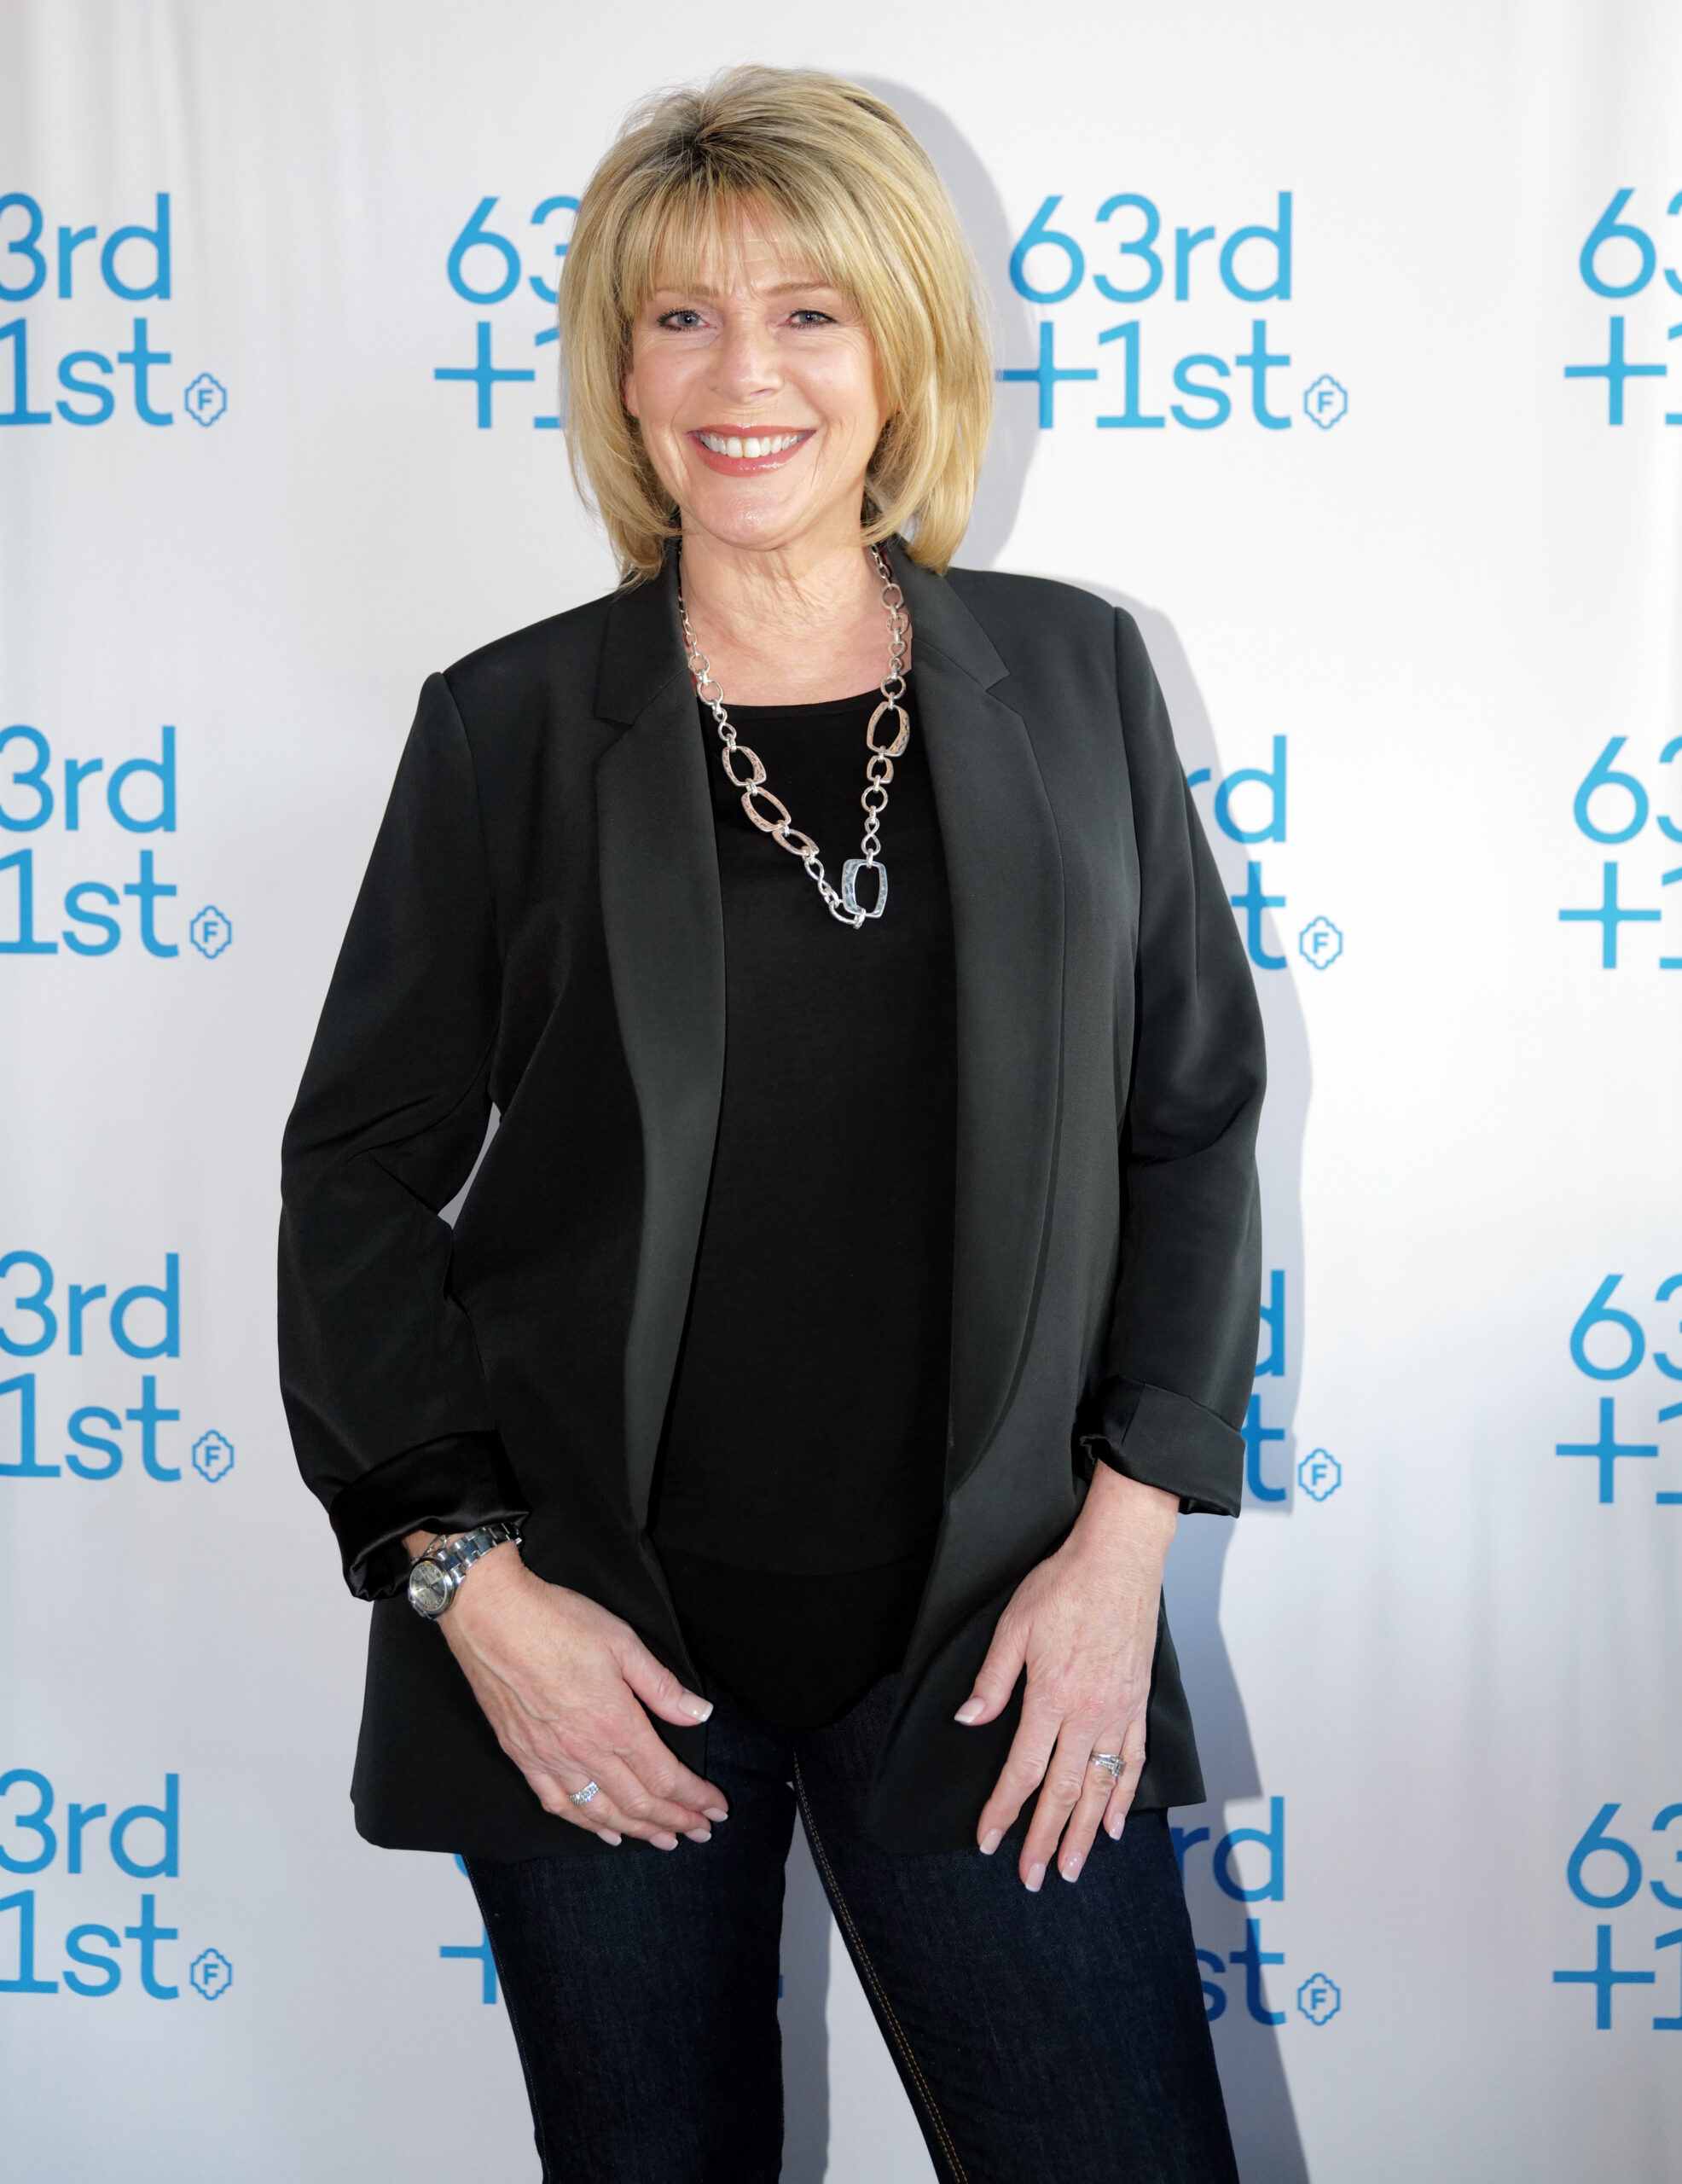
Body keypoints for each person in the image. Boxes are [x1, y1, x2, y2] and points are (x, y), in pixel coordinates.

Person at [279, 64, 1264, 2184]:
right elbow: (355, 1167)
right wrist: (466, 1581)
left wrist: (1120, 1550)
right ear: (617, 371)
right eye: (681, 317)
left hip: (995, 1641)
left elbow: (1187, 1126)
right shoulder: (511, 723)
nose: (745, 375)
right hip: (600, 1642)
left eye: (810, 312)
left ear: (902, 349)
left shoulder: (1074, 675)